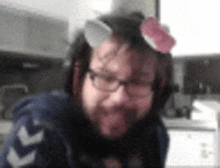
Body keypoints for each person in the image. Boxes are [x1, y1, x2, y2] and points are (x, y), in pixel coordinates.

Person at [0, 10, 175, 168]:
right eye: (105, 77)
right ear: (79, 78)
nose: (119, 98)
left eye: (138, 82)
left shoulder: (154, 136)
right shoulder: (41, 130)